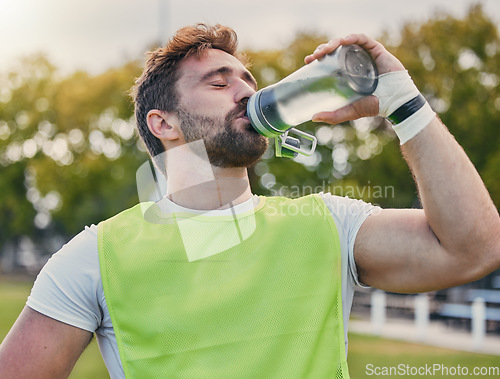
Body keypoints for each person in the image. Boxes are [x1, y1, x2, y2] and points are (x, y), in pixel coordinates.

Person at [0, 23, 499, 378]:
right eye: (219, 83)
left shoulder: (329, 222)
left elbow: (473, 248)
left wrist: (402, 101)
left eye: (249, 83)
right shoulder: (94, 257)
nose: (244, 92)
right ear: (164, 124)